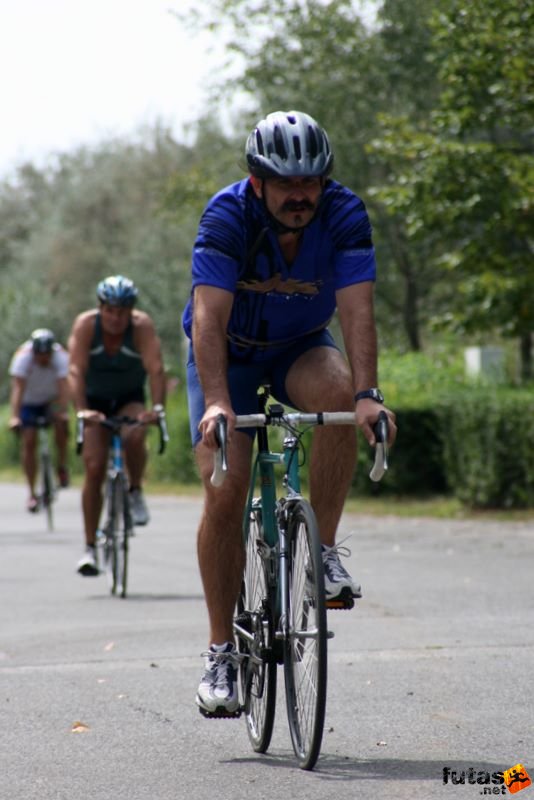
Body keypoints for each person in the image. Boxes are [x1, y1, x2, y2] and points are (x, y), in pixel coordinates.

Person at [183, 109, 398, 717]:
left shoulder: (345, 212)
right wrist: (219, 399)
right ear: (259, 183)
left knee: (338, 394)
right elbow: (208, 318)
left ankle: (322, 551)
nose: (301, 195)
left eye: (311, 182)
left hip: (300, 346)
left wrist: (367, 394)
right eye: (287, 184)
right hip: (228, 354)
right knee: (225, 491)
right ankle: (221, 651)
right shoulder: (228, 215)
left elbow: (357, 310)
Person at [68, 275, 166, 577]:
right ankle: (89, 548)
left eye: (122, 311)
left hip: (128, 399)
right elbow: (75, 370)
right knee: (95, 467)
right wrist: (82, 411)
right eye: (110, 310)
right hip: (95, 403)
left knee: (135, 434)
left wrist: (157, 409)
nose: (116, 318)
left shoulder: (141, 327)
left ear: (131, 311)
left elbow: (156, 368)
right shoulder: (86, 325)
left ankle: (135, 491)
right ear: (100, 309)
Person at [9, 328, 70, 512]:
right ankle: (32, 493)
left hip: (51, 400)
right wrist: (15, 416)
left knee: (61, 426)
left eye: (47, 355)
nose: (44, 359)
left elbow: (64, 386)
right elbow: (18, 388)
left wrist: (62, 410)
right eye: (40, 355)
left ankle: (62, 467)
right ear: (34, 352)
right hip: (29, 402)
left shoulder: (60, 357)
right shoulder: (23, 357)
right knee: (29, 442)